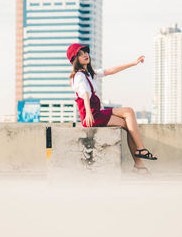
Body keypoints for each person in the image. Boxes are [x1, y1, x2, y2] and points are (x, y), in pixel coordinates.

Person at [67, 43, 157, 174]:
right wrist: (88, 114)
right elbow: (84, 93)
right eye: (80, 54)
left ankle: (139, 162)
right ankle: (140, 154)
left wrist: (133, 63)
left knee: (128, 114)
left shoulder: (90, 74)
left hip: (95, 112)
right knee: (128, 115)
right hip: (91, 115)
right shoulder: (79, 76)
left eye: (85, 52)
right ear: (75, 60)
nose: (85, 55)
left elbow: (111, 70)